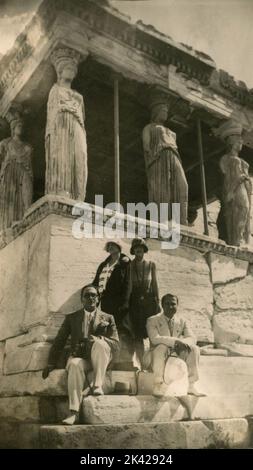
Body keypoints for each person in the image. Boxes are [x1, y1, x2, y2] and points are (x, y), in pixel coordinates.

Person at [42, 284, 119, 425]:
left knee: (100, 344)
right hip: (81, 357)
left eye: (93, 295)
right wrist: (50, 363)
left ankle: (97, 385)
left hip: (99, 358)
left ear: (98, 298)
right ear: (82, 300)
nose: (90, 298)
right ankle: (73, 412)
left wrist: (99, 339)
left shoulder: (108, 318)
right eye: (87, 295)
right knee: (74, 364)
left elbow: (116, 343)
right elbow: (59, 341)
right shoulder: (72, 318)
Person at [45, 47, 87, 200]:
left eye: (73, 68)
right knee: (63, 157)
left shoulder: (79, 97)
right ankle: (62, 191)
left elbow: (82, 118)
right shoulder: (55, 90)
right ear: (60, 71)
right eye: (68, 68)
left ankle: (78, 194)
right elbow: (52, 115)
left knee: (80, 155)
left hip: (76, 127)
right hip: (61, 128)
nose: (71, 71)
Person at [144, 293, 205, 397]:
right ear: (162, 305)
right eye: (167, 304)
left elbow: (192, 338)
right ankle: (158, 384)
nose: (170, 307)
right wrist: (176, 342)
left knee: (194, 348)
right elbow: (155, 339)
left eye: (173, 304)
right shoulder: (152, 320)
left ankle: (191, 385)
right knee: (161, 347)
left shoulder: (182, 321)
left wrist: (183, 343)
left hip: (175, 356)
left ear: (177, 305)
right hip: (156, 357)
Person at [142, 98, 188, 225]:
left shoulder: (172, 133)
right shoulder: (149, 127)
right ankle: (163, 219)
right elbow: (146, 146)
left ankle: (182, 219)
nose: (165, 113)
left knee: (182, 185)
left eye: (166, 111)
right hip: (159, 157)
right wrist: (152, 158)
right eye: (163, 110)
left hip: (174, 156)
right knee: (163, 188)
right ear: (156, 112)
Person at [126, 238, 160, 368]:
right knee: (137, 334)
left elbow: (155, 284)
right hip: (135, 302)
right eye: (136, 248)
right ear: (133, 250)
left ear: (144, 250)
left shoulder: (151, 264)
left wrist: (157, 300)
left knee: (151, 332)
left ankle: (154, 363)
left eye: (141, 248)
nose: (138, 250)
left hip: (149, 302)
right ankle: (142, 364)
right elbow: (128, 286)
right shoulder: (130, 265)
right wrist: (127, 304)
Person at [219, 124, 251, 246]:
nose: (241, 144)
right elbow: (231, 178)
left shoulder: (239, 160)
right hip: (237, 186)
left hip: (244, 187)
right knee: (243, 209)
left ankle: (241, 238)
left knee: (245, 211)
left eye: (241, 142)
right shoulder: (230, 159)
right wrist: (231, 191)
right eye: (238, 142)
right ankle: (237, 238)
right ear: (231, 143)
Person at [0, 109, 33, 230]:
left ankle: (22, 220)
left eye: (21, 126)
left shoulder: (28, 147)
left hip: (23, 173)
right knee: (10, 199)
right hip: (9, 175)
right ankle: (6, 227)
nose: (21, 128)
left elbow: (29, 167)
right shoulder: (5, 143)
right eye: (18, 125)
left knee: (24, 196)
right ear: (13, 128)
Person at [93, 241, 130, 330]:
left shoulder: (124, 264)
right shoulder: (103, 264)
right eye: (109, 245)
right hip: (103, 301)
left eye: (113, 245)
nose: (110, 247)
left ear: (119, 247)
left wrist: (125, 303)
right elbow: (96, 282)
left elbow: (128, 283)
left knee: (116, 327)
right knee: (105, 327)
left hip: (117, 302)